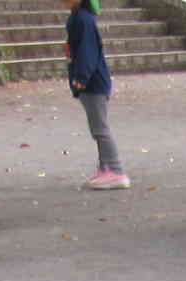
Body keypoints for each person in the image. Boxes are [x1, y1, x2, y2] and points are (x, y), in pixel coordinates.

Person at [66, 0, 128, 190]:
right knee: (97, 128)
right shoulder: (78, 17)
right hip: (90, 81)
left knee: (100, 128)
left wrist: (81, 78)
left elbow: (88, 52)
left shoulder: (83, 19)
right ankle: (105, 167)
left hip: (93, 82)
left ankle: (115, 170)